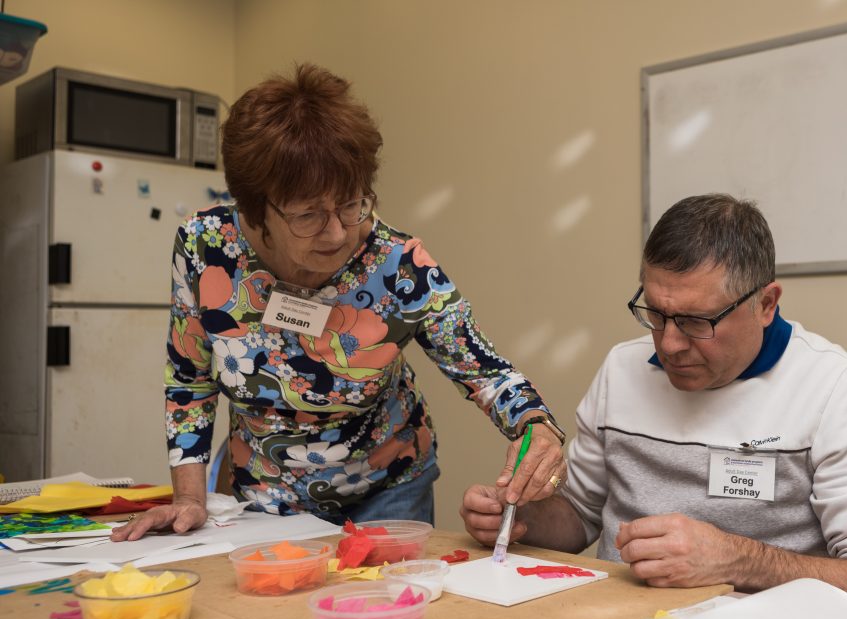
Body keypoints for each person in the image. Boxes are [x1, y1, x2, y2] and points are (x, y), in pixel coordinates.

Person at [113, 64, 566, 541]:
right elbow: (190, 380)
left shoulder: (396, 264)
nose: (336, 233)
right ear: (254, 209)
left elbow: (483, 369)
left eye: (350, 204)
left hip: (387, 485)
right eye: (308, 213)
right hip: (263, 493)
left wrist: (537, 426)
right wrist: (188, 498)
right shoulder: (206, 248)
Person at [460, 194, 847, 616]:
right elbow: (580, 515)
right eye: (656, 314)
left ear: (766, 304)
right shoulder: (622, 371)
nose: (669, 344)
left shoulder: (840, 391)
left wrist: (738, 560)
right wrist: (521, 519)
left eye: (696, 321)